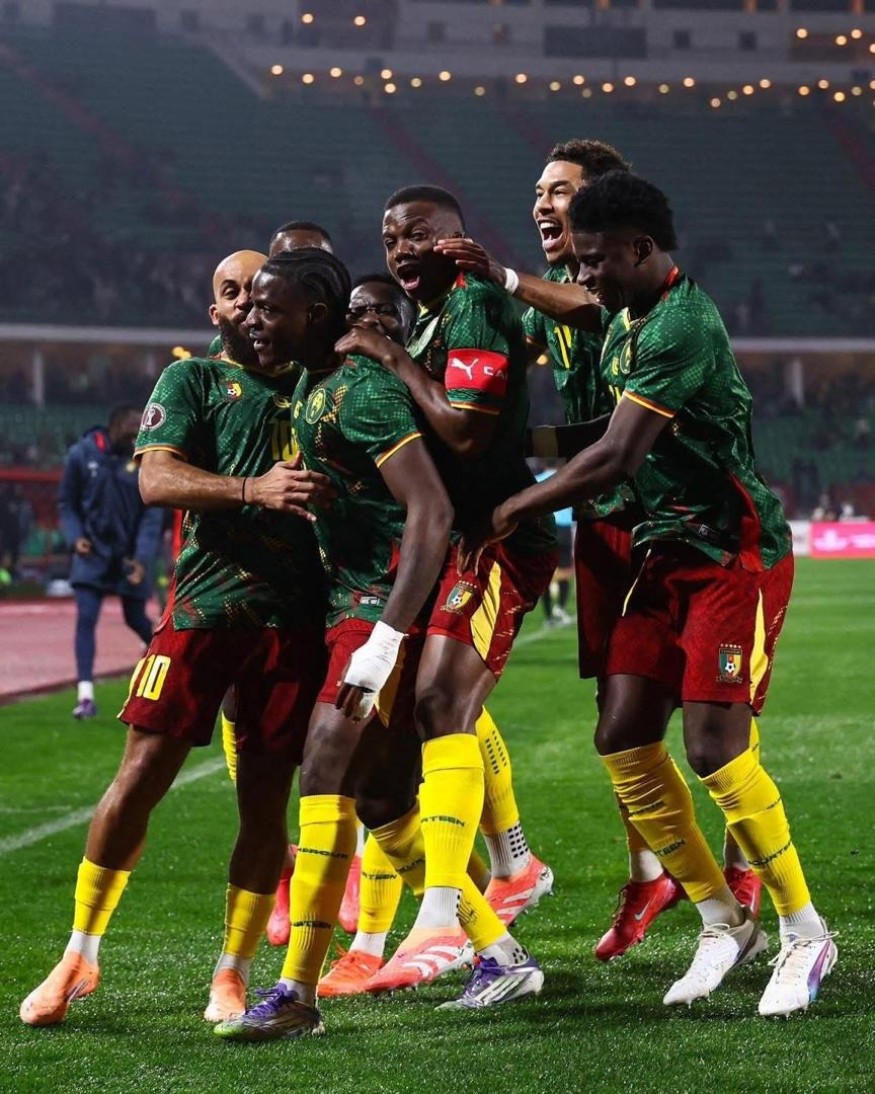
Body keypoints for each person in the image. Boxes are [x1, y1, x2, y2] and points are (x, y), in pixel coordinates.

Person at [462, 170, 836, 1018]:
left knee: (713, 747)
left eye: (594, 261)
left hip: (731, 553)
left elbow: (617, 455)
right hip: (664, 554)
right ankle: (721, 921)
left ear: (639, 249)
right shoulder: (627, 319)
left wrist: (511, 504)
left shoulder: (680, 323)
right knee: (622, 733)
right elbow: (605, 429)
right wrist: (514, 446)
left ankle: (803, 931)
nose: (583, 276)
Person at [438, 138, 761, 961]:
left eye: (561, 192)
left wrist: (505, 278)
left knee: (718, 704)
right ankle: (647, 874)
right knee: (622, 711)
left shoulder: (617, 298)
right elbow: (583, 425)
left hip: (672, 514)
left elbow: (593, 321)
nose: (544, 205)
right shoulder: (559, 298)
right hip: (600, 513)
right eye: (538, 192)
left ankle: (747, 870)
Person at [20, 249, 334, 1029]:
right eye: (232, 294)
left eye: (260, 294)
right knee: (138, 779)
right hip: (201, 611)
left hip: (293, 620)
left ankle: (233, 971)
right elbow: (155, 480)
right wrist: (253, 488)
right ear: (214, 310)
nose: (247, 307)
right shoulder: (191, 379)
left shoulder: (319, 384)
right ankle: (79, 953)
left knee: (265, 802)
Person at [333, 186, 557, 1002]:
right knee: (399, 750)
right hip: (454, 544)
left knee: (440, 700)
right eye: (390, 236)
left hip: (496, 542)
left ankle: (441, 917)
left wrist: (389, 359)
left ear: (455, 241)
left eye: (417, 234)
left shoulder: (469, 308)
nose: (400, 248)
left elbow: (464, 430)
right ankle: (501, 883)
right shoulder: (430, 319)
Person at [58, 405, 164, 719]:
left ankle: (176, 673)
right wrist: (75, 536)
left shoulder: (143, 461)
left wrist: (142, 558)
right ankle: (85, 696)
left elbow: (151, 515)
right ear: (116, 425)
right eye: (133, 430)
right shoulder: (81, 455)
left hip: (130, 558)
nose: (137, 436)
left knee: (137, 620)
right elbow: (67, 503)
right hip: (91, 554)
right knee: (86, 618)